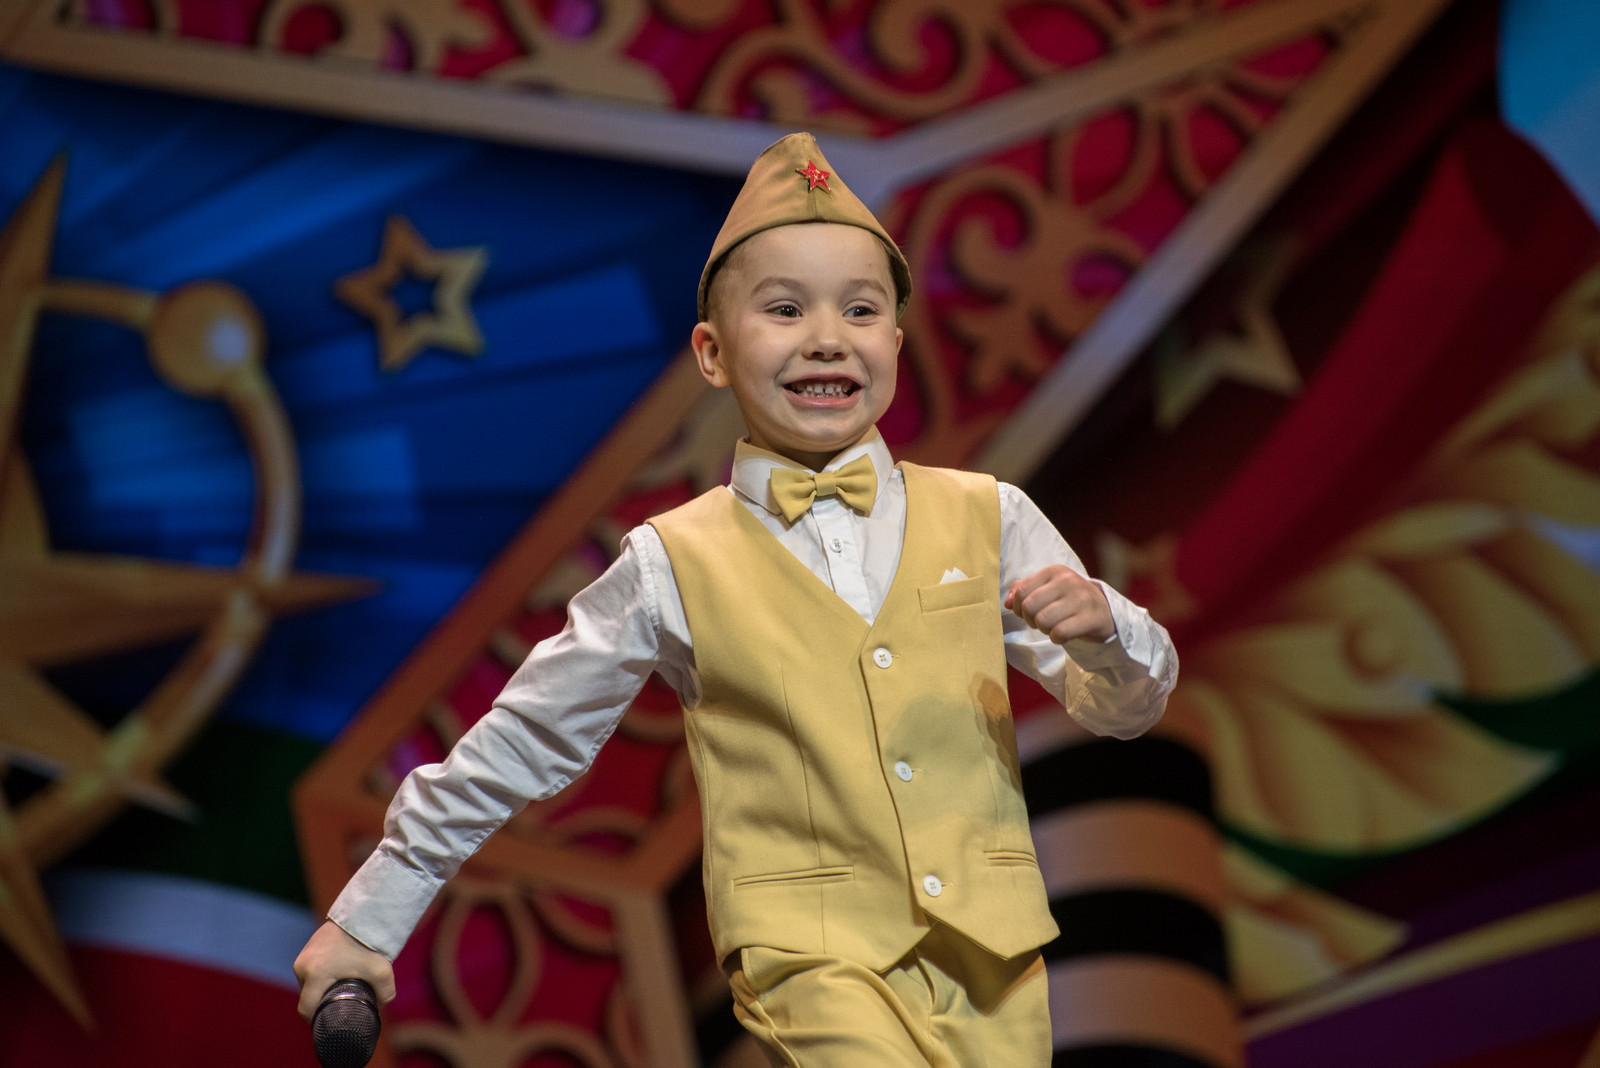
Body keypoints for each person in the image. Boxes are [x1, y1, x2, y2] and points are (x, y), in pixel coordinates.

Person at [294, 132, 1177, 1066]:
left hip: (992, 951)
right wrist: (367, 920)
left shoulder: (988, 514)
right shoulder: (672, 560)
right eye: (786, 309)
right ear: (712, 353)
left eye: (860, 309)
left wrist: (1109, 633)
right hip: (813, 955)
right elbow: (526, 736)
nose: (827, 337)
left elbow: (1125, 709)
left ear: (894, 341)